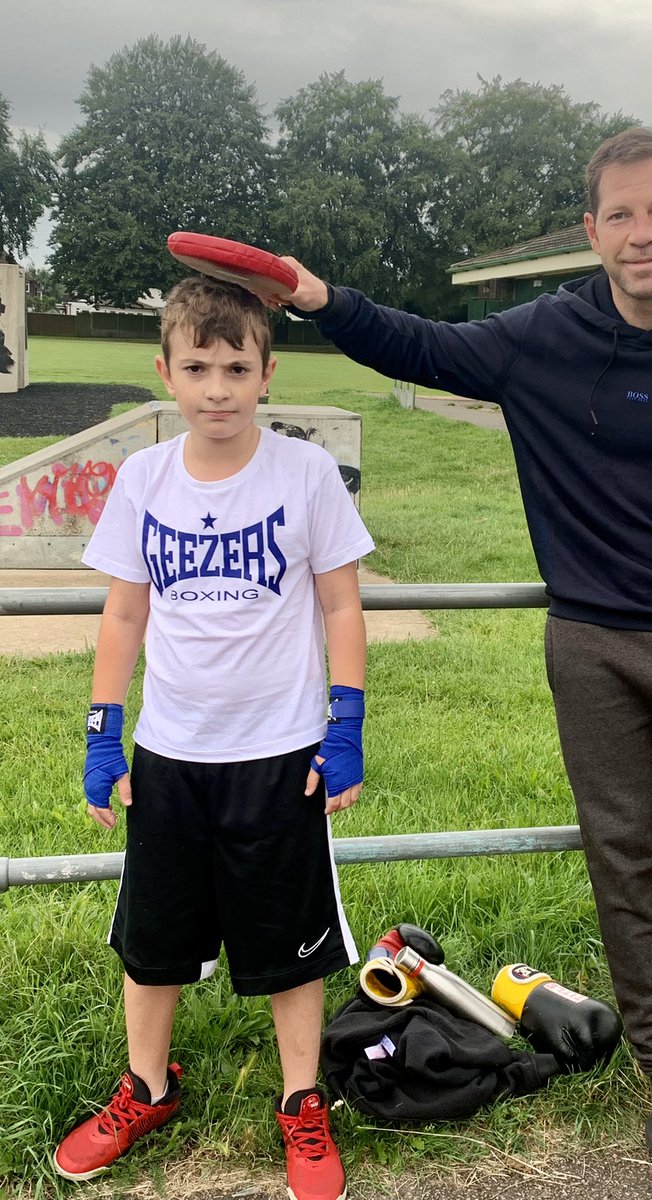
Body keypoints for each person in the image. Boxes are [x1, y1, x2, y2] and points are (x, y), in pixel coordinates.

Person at [271, 127, 652, 1200]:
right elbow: (425, 347)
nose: (641, 234)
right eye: (619, 215)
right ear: (592, 231)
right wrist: (317, 295)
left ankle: (625, 820)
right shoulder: (543, 335)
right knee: (626, 882)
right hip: (590, 640)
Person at [53, 275, 374, 1200]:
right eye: (197, 367)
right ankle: (146, 1089)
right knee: (151, 941)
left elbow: (341, 603)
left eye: (238, 366)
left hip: (278, 755)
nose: (218, 387)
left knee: (289, 944)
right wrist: (102, 734)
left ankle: (303, 1102)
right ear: (166, 372)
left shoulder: (304, 472)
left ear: (268, 374)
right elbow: (123, 614)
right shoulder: (143, 477)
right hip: (171, 754)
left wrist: (344, 724)